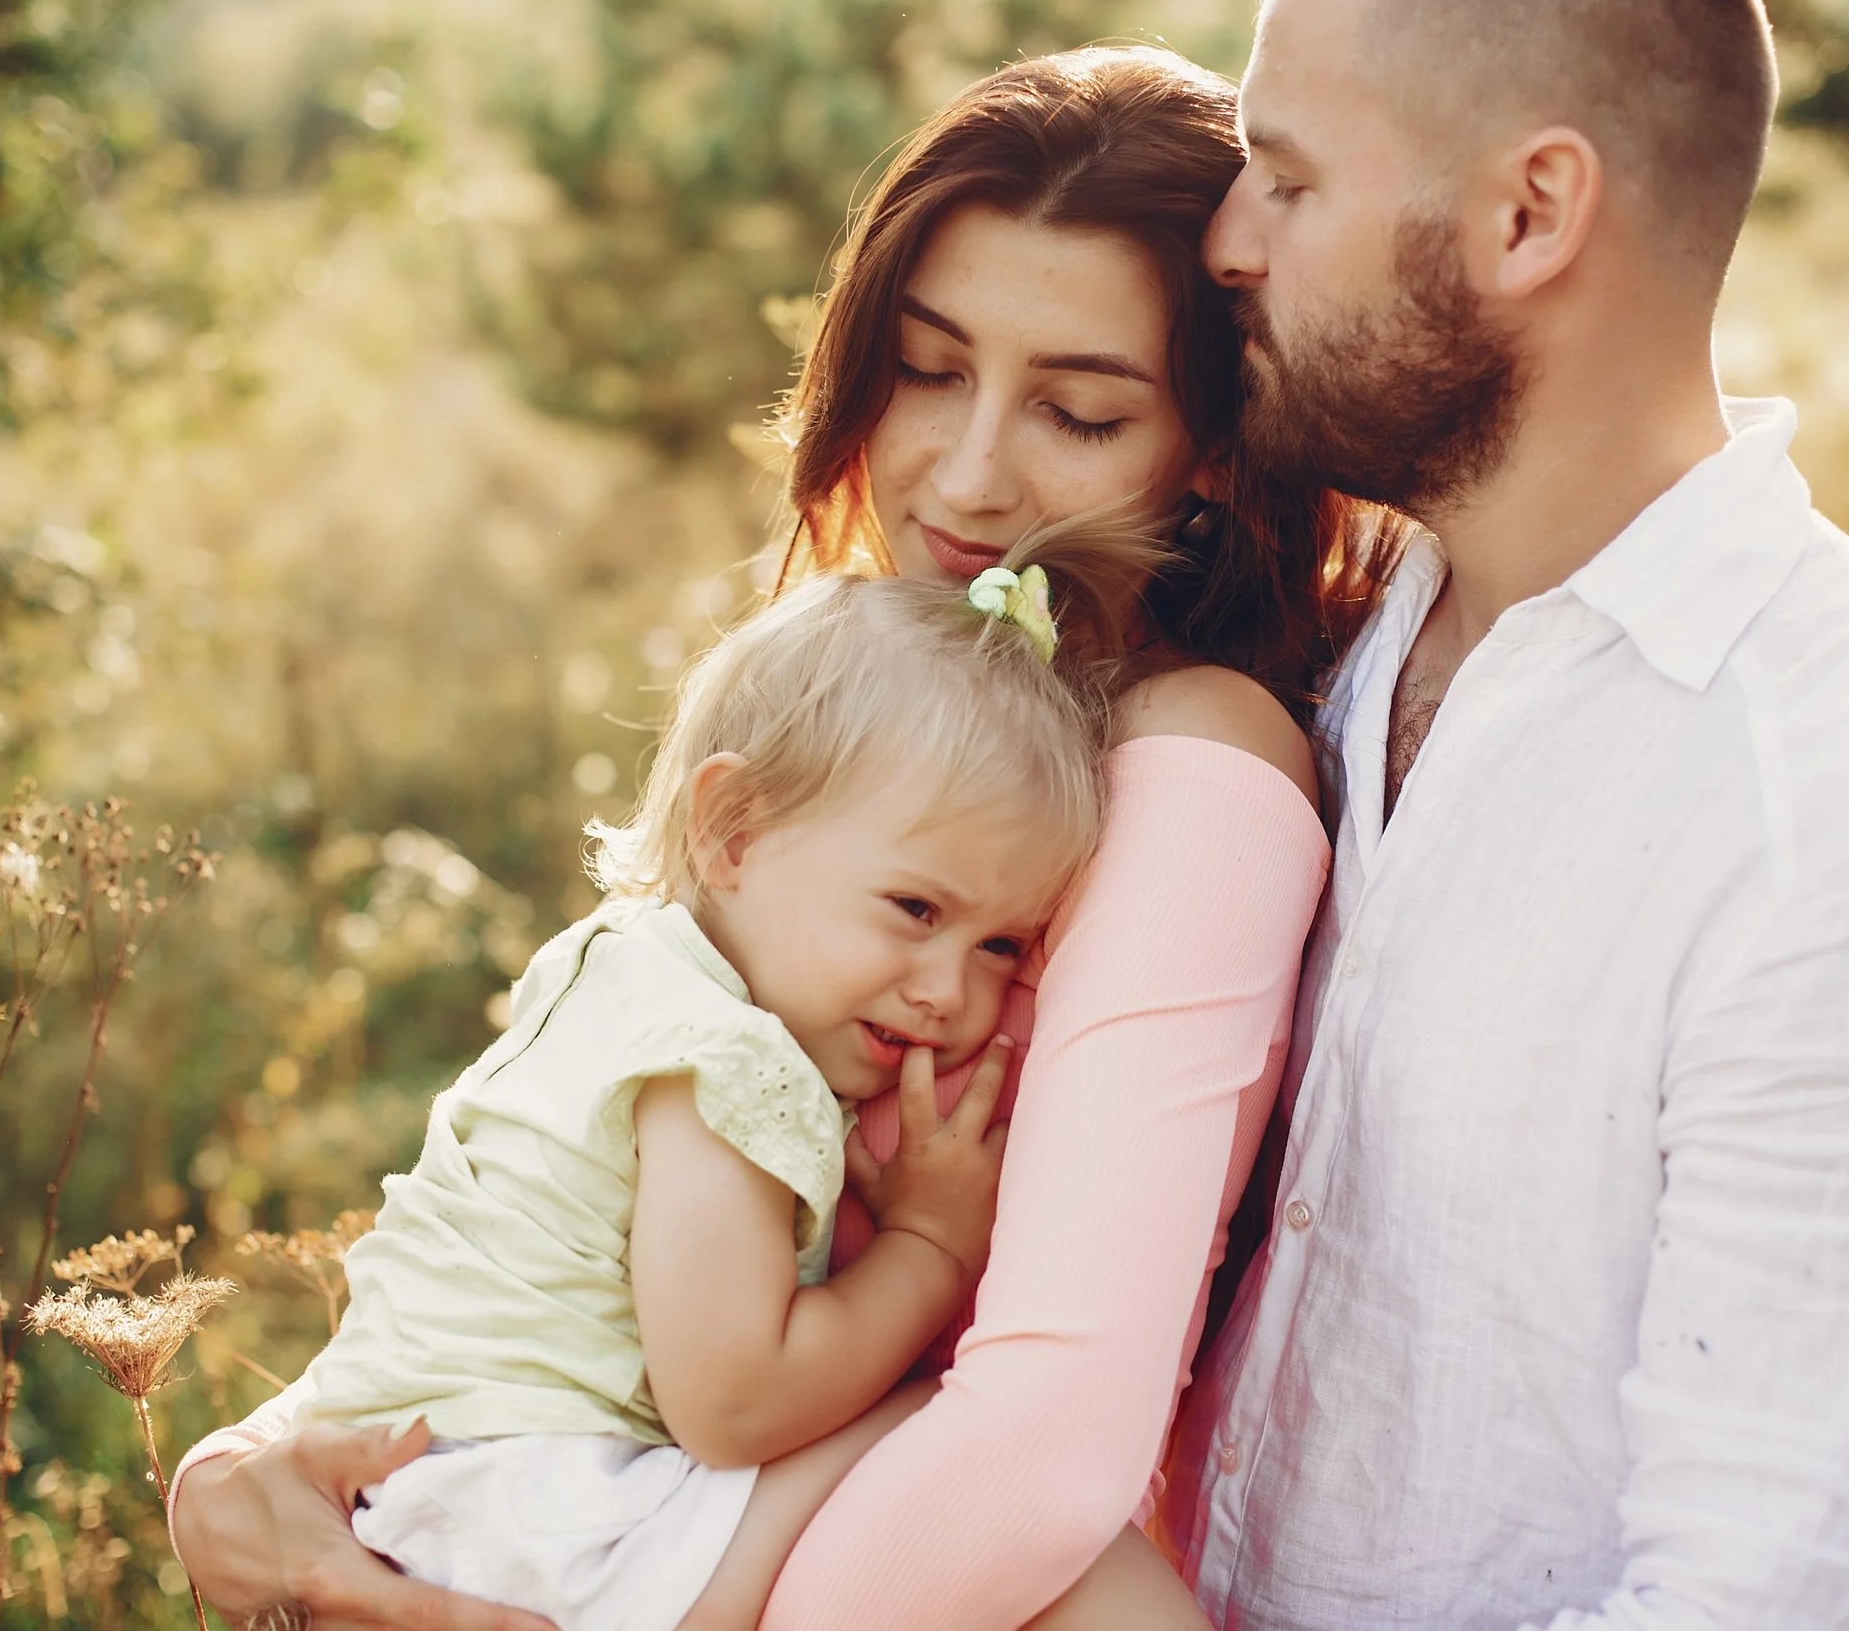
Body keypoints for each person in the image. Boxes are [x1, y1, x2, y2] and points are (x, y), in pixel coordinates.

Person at [172, 47, 1395, 1631]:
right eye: (929, 367)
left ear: (1215, 450)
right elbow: (568, 1233)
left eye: (1080, 411)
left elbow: (1034, 1455)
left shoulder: (1195, 761)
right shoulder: (857, 712)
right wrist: (255, 1459)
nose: (966, 472)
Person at [1159, 0, 1849, 1626]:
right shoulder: (1309, 653)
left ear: (1531, 213)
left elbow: (1776, 1604)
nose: (1230, 241)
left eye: (1294, 176)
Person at [260, 553, 1181, 1631]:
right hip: (533, 1532)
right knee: (975, 1449)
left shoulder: (612, 962)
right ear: (732, 827)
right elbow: (735, 1401)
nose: (949, 991)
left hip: (422, 1501)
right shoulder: (725, 1061)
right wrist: (930, 1247)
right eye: (915, 908)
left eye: (1001, 943)